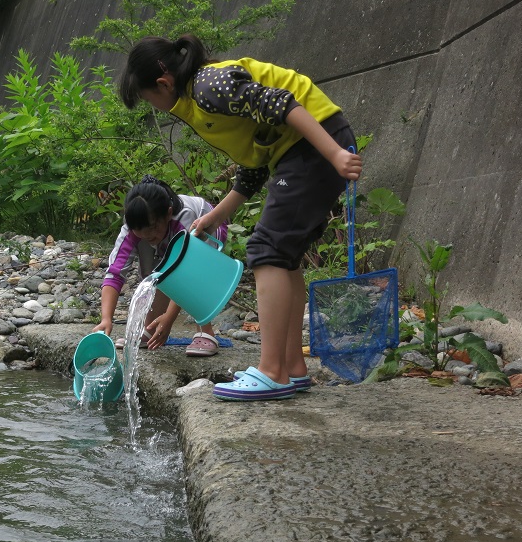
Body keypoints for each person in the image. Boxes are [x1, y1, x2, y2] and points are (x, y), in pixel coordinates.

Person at [119, 34, 362, 401]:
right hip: (302, 150)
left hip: (315, 144)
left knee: (266, 249)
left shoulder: (207, 86)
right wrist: (213, 217)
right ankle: (292, 368)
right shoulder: (197, 104)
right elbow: (253, 167)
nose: (154, 107)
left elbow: (283, 103)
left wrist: (334, 153)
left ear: (164, 83)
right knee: (285, 256)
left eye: (149, 99)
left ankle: (271, 372)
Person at [93, 175, 228, 357]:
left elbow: (186, 272)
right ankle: (150, 328)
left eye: (153, 228)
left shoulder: (184, 216)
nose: (149, 235)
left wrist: (169, 319)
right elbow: (115, 273)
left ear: (168, 213)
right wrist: (106, 318)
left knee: (192, 270)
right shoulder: (133, 227)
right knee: (154, 275)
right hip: (169, 238)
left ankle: (205, 331)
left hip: (206, 229)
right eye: (141, 233)